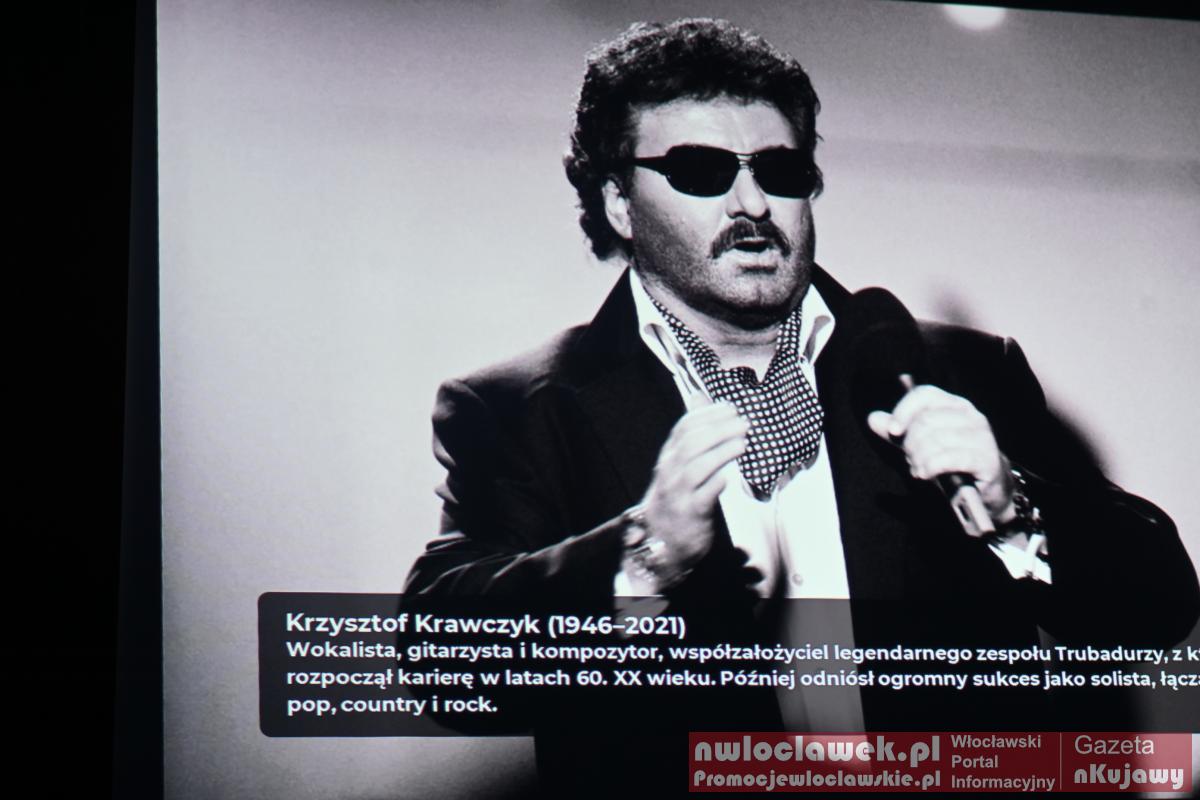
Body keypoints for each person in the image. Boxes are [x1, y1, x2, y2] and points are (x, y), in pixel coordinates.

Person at [404, 18, 1198, 797]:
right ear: (618, 202)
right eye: (701, 170)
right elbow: (443, 667)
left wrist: (1014, 513)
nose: (752, 202)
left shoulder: (958, 369)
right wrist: (643, 557)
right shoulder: (521, 407)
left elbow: (1161, 608)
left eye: (780, 170)